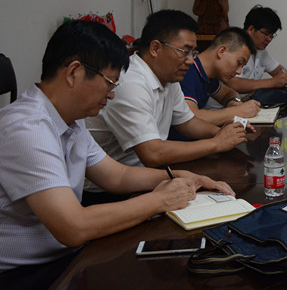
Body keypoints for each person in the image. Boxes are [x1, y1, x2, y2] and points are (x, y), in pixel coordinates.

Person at [0, 20, 232, 289]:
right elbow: (73, 226)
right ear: (74, 72)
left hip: (66, 257)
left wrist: (181, 176)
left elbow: (117, 176)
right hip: (26, 274)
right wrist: (159, 200)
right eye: (109, 83)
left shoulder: (70, 120)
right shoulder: (27, 128)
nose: (111, 95)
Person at [85, 10, 250, 201]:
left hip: (145, 176)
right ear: (156, 48)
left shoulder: (168, 78)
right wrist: (216, 143)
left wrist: (223, 133)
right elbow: (152, 153)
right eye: (185, 52)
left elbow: (188, 123)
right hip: (105, 191)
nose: (190, 60)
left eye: (193, 52)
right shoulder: (130, 83)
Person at [179, 27, 261, 126]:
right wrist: (238, 111)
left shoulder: (209, 75)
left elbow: (229, 93)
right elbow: (191, 118)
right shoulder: (186, 71)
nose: (239, 72)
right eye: (239, 63)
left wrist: (234, 101)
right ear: (221, 51)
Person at [226, 5, 287, 95]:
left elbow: (279, 70)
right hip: (228, 102)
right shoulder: (234, 46)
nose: (269, 39)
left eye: (272, 35)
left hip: (249, 99)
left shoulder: (260, 51)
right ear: (251, 29)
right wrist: (272, 82)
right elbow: (234, 83)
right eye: (266, 33)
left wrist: (283, 76)